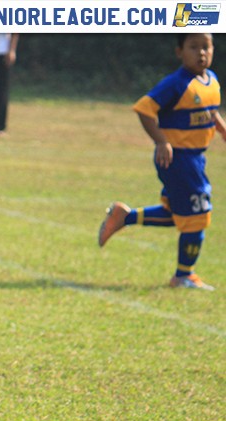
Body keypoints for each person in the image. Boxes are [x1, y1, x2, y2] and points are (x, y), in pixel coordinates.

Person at [99, 33, 224, 291]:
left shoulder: (211, 80)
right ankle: (184, 275)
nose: (201, 53)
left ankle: (125, 217)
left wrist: (221, 128)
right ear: (179, 51)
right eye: (193, 47)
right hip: (177, 159)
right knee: (198, 214)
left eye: (206, 47)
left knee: (177, 213)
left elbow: (210, 110)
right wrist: (160, 141)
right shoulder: (176, 83)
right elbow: (144, 109)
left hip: (195, 158)